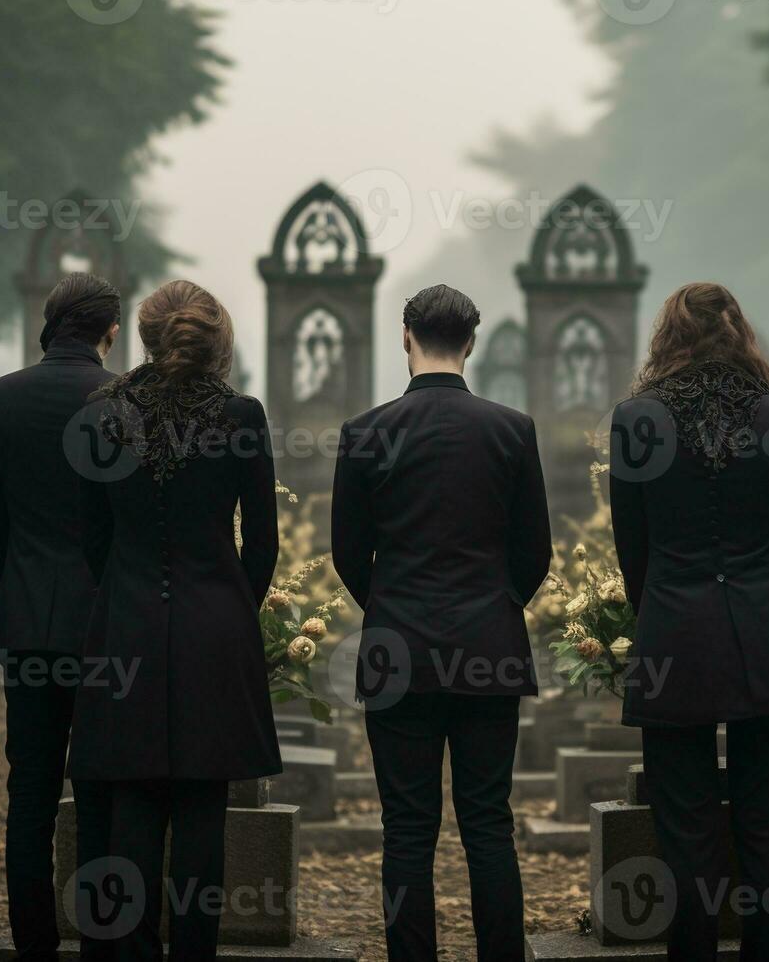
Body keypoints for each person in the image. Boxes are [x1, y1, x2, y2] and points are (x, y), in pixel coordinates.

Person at [331, 283, 552, 962]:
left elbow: (348, 553)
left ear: (406, 337)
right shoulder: (511, 430)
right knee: (488, 825)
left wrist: (395, 607)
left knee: (406, 830)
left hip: (400, 652)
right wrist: (494, 602)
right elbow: (534, 551)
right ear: (473, 343)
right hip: (489, 645)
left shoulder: (366, 433)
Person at [66, 280, 281, 961]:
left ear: (146, 337)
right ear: (219, 344)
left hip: (125, 623)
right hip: (215, 625)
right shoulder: (243, 415)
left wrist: (125, 589)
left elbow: (90, 535)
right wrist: (231, 604)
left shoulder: (102, 414)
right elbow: (264, 544)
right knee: (201, 809)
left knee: (131, 800)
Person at [609, 282, 769, 961]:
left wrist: (660, 614)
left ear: (668, 336)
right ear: (739, 333)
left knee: (685, 832)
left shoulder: (637, 418)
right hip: (766, 631)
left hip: (673, 632)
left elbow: (631, 546)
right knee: (766, 826)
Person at [0, 272, 122, 962]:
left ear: (49, 322)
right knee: (100, 798)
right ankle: (99, 940)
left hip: (29, 620)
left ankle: (33, 945)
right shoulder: (123, 402)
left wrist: (24, 588)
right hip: (105, 628)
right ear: (108, 333)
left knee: (27, 794)